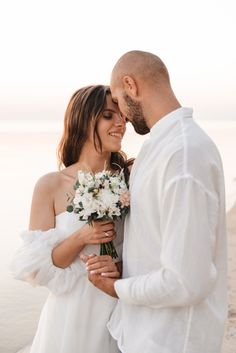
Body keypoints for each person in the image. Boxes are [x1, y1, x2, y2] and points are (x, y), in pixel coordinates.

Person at [85, 51, 228, 353]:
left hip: (172, 341)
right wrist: (121, 267)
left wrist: (116, 287)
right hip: (144, 334)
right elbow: (156, 240)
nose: (121, 113)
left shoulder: (183, 155)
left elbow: (186, 280)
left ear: (131, 85)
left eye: (118, 100)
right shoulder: (157, 148)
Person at [10, 85, 130, 353]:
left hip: (118, 310)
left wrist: (119, 268)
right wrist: (82, 237)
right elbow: (35, 269)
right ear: (85, 120)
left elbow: (149, 247)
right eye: (109, 115)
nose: (121, 123)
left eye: (124, 117)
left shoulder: (131, 179)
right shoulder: (50, 185)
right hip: (68, 318)